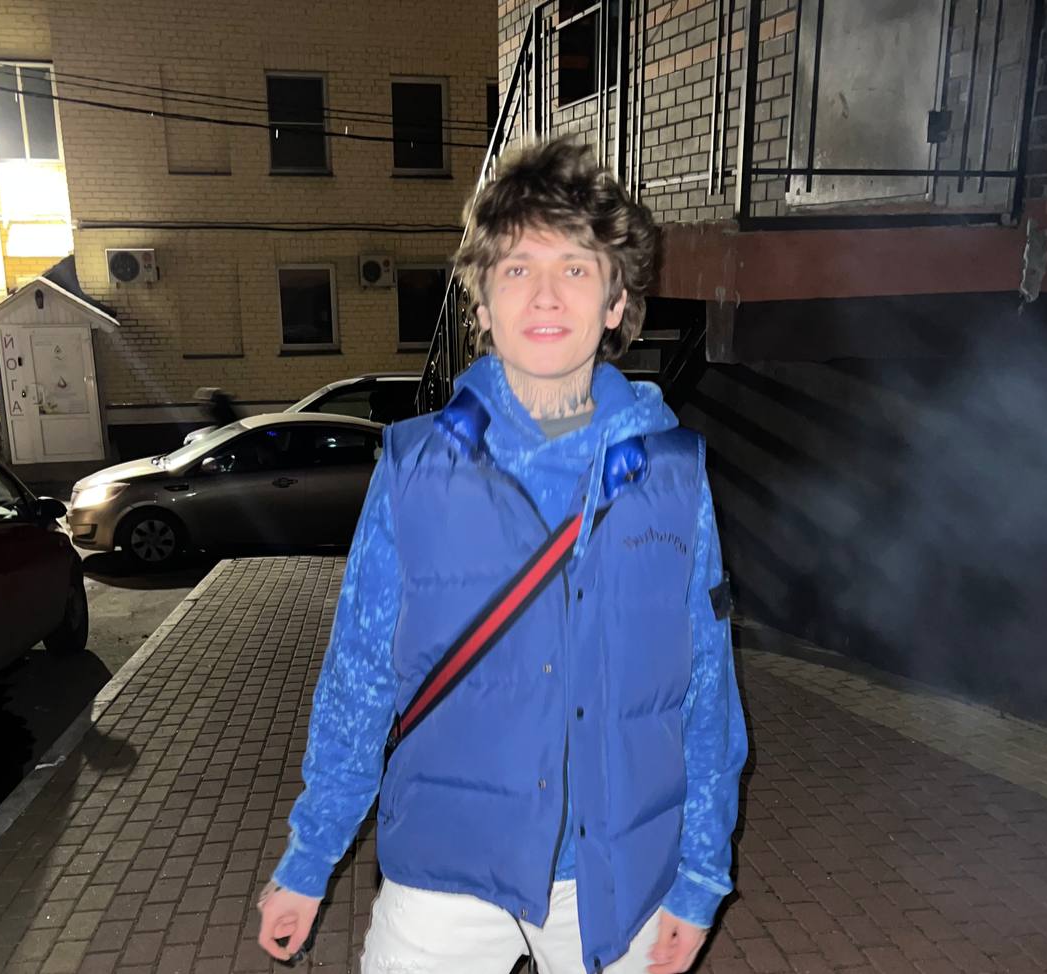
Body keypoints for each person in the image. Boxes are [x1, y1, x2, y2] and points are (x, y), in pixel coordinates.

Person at [257, 137, 748, 974]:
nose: (546, 294)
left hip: (615, 880)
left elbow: (706, 690)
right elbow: (359, 676)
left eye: (575, 267)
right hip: (445, 871)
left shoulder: (674, 477)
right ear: (481, 303)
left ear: (616, 303)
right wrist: (311, 857)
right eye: (518, 268)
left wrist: (700, 877)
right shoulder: (412, 467)